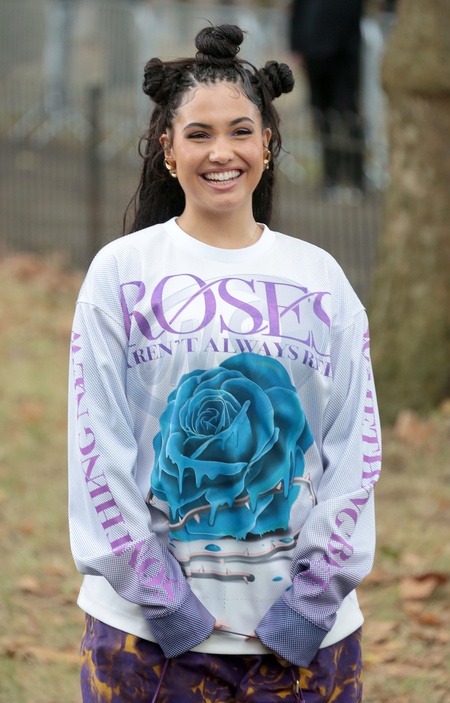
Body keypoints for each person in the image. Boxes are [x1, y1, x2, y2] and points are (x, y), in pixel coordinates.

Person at [68, 23, 381, 703]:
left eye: (240, 131)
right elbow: (98, 449)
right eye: (199, 133)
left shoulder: (321, 278)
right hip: (145, 645)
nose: (222, 152)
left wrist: (307, 608)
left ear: (267, 141)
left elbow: (355, 453)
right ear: (167, 147)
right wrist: (165, 602)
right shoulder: (122, 273)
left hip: (306, 648)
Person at [289, 0, 366, 196]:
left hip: (343, 59)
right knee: (321, 116)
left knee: (348, 116)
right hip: (314, 58)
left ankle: (356, 177)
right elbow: (297, 12)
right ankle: (330, 177)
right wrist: (296, 46)